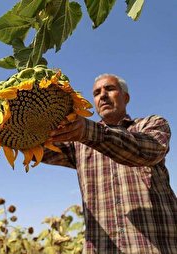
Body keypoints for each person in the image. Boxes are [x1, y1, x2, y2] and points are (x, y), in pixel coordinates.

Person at [43, 74, 177, 253]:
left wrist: (88, 132)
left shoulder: (151, 124)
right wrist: (7, 124)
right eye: (97, 93)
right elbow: (39, 148)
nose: (103, 95)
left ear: (126, 97)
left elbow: (149, 150)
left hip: (156, 246)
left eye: (110, 89)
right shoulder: (78, 143)